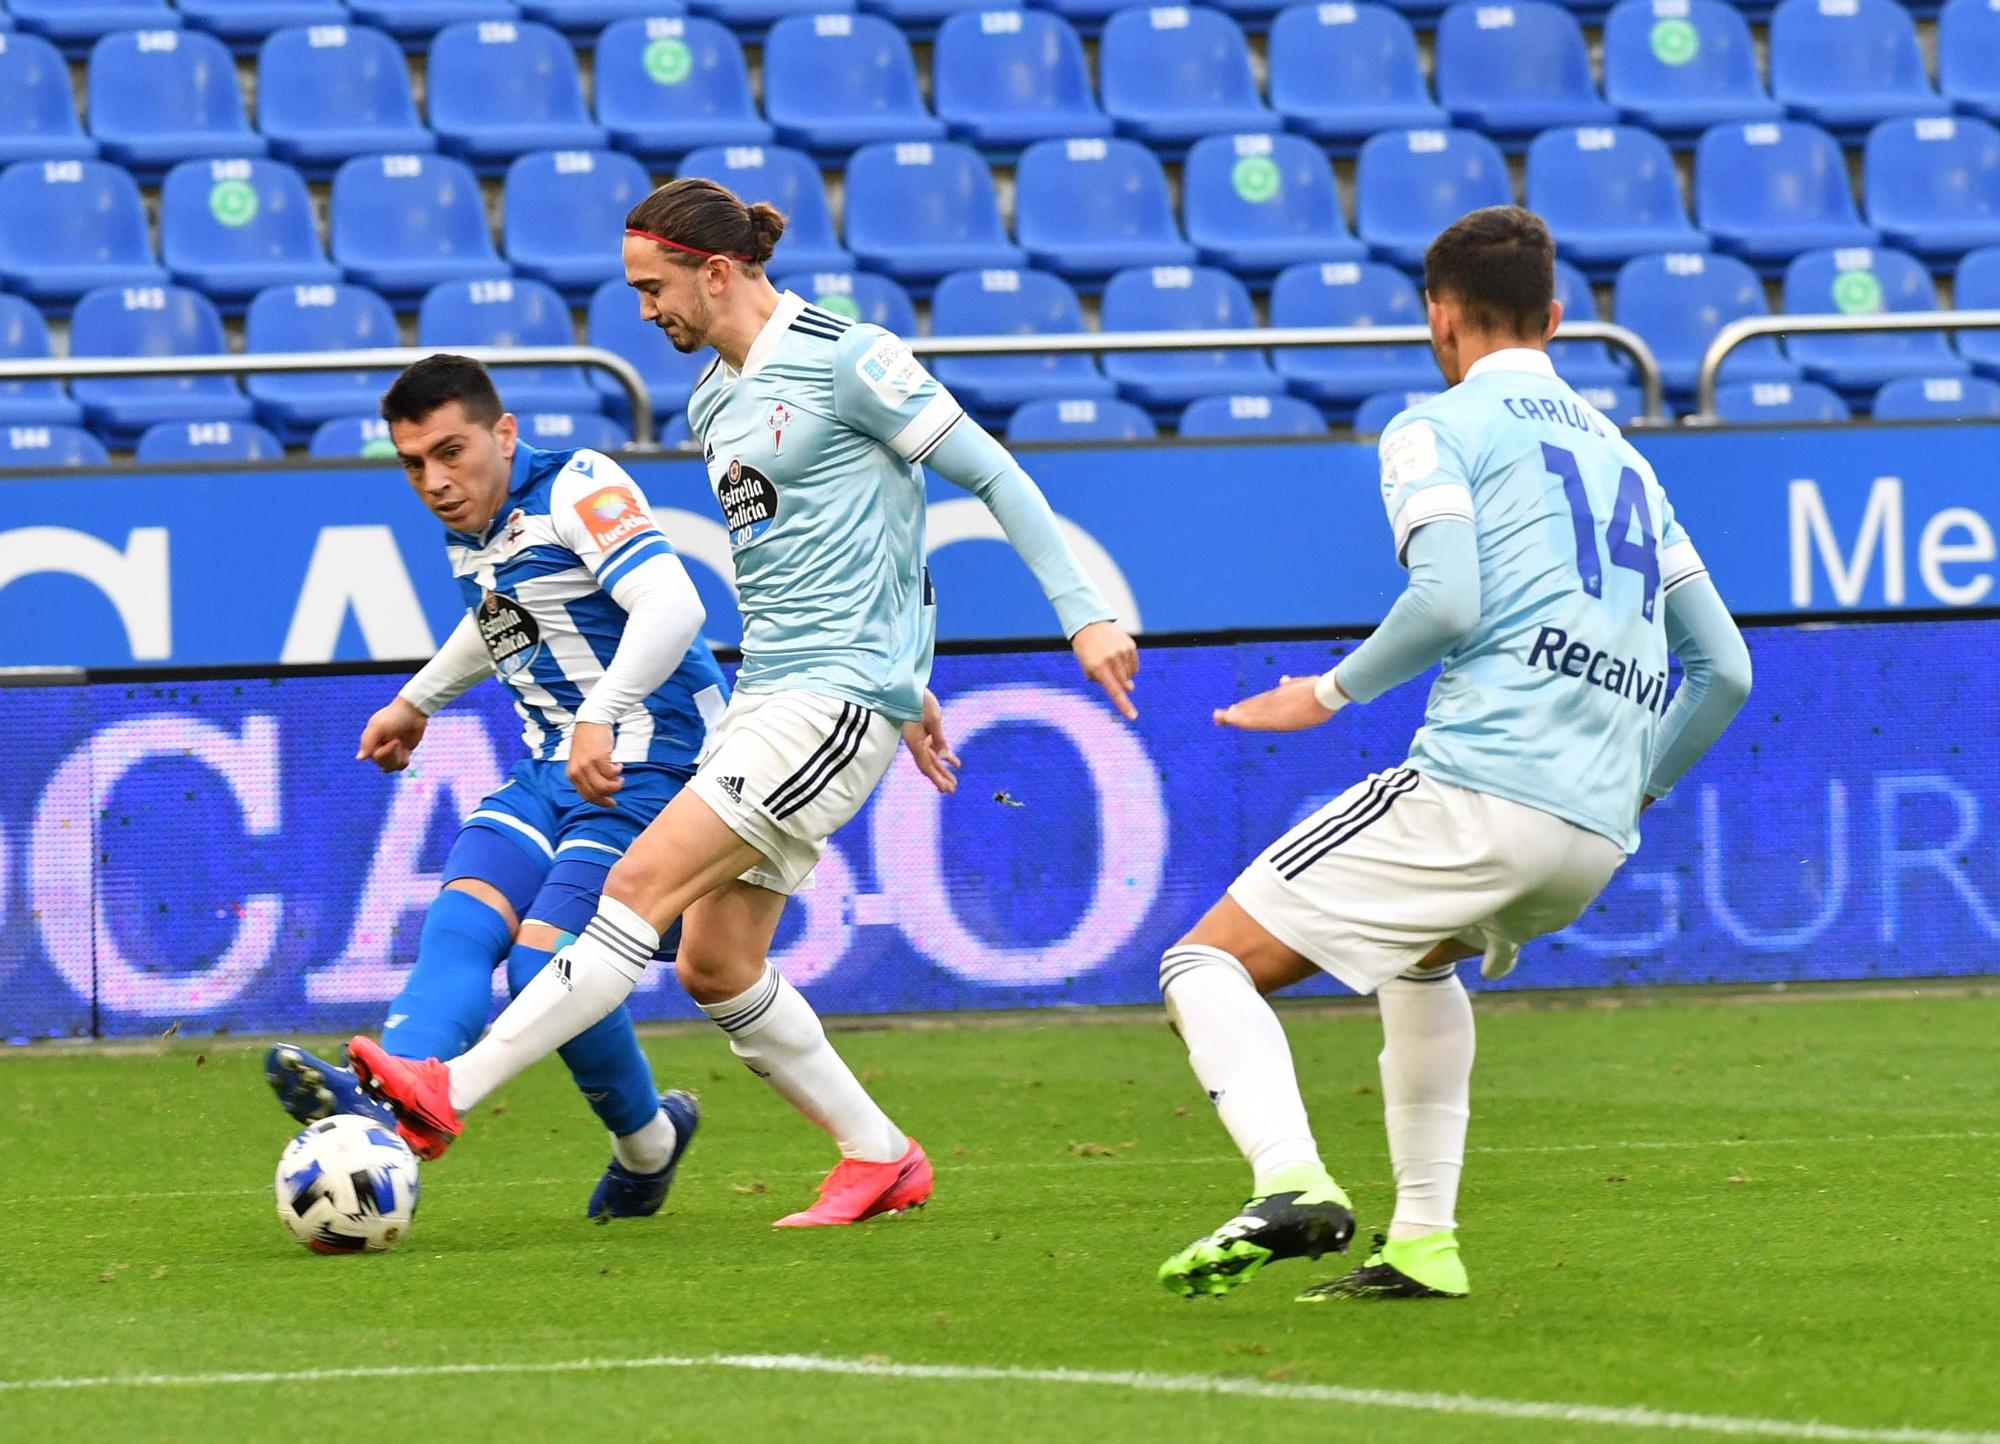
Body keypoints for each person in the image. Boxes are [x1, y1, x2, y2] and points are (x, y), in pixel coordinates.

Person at [350, 178, 1143, 1227]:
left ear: (713, 270)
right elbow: (836, 541)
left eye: (652, 288)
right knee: (716, 963)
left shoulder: (846, 357)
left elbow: (990, 474)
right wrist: (912, 679)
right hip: (772, 694)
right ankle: (879, 1155)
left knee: (633, 882)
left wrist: (1083, 614)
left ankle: (451, 1089)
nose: (643, 312)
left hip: (827, 701)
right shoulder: (713, 399)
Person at [1155, 206, 1753, 1301]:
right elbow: (1723, 670)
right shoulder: (1625, 459)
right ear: (1557, 319)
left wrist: (1323, 693)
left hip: (1481, 789)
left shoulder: (1433, 426)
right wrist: (1636, 786)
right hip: (1591, 834)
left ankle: (1289, 1182)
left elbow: (1444, 599)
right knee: (1419, 955)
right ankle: (1423, 1242)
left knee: (1202, 963)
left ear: (1438, 318)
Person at [269, 354, 723, 1220]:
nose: (435, 482)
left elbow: (675, 607)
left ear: (504, 433)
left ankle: (646, 1144)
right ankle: (383, 1100)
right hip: (555, 762)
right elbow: (503, 623)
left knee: (541, 960)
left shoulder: (578, 487)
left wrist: (604, 710)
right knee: (462, 919)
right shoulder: (476, 530)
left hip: (652, 766)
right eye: (413, 464)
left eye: (452, 452)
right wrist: (416, 701)